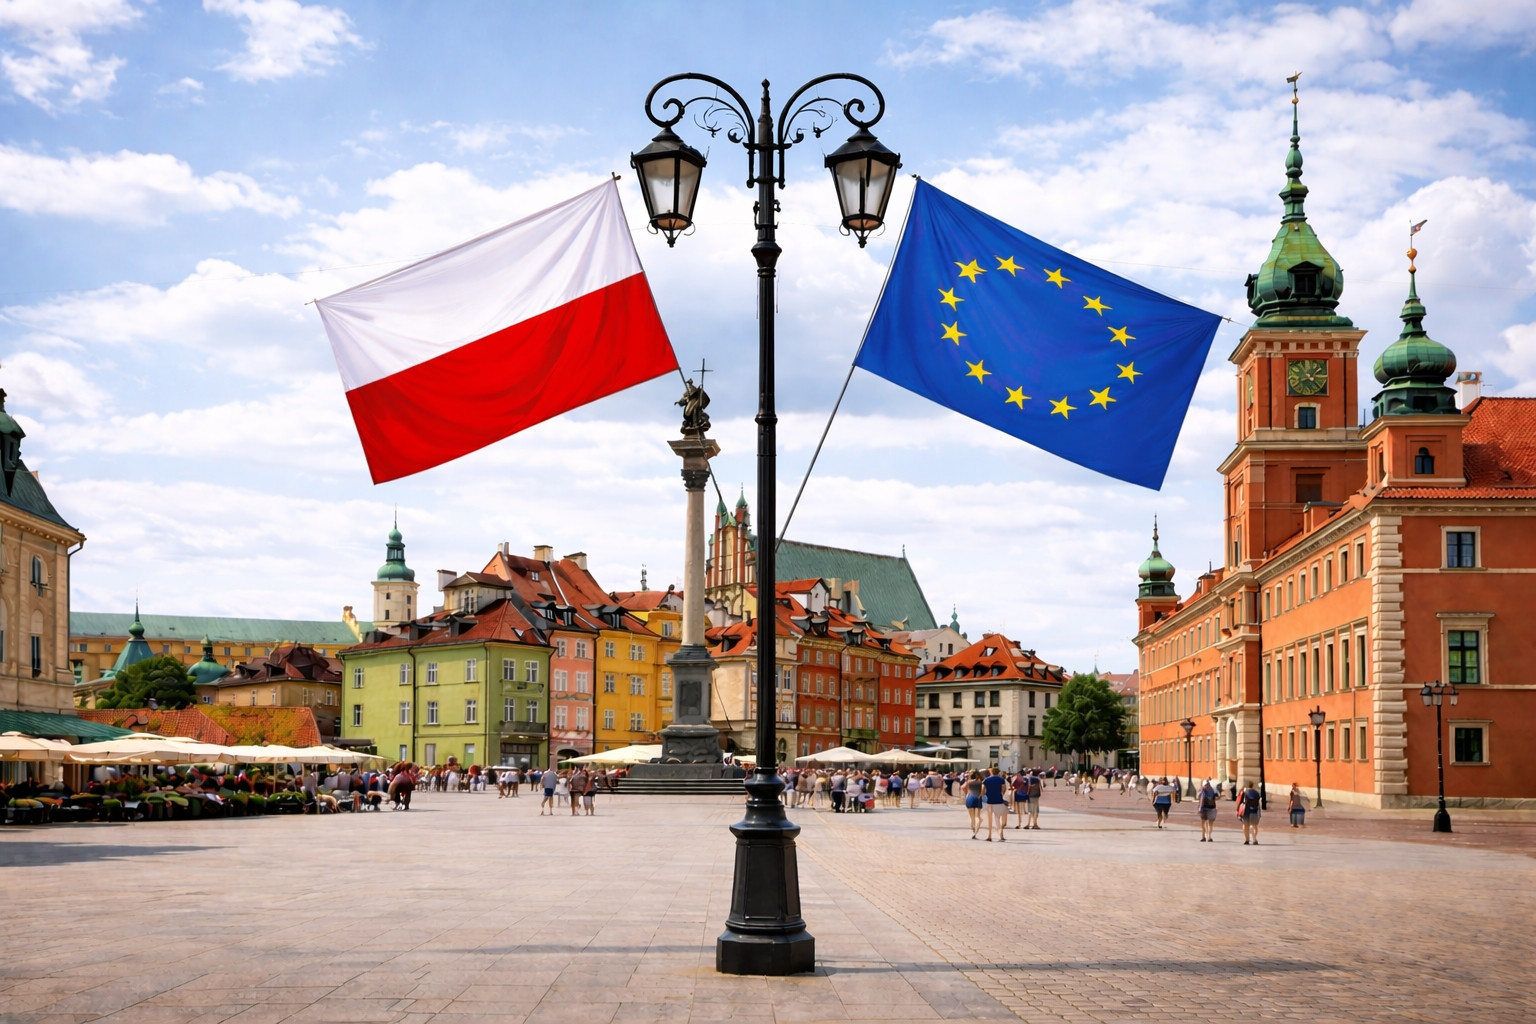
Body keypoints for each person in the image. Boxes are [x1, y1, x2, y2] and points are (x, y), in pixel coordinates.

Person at [982, 766, 1009, 840]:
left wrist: (983, 796)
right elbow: (1004, 788)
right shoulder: (1001, 779)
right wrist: (1001, 794)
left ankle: (989, 835)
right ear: (998, 772)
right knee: (998, 819)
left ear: (991, 772)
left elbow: (982, 791)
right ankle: (1001, 835)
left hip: (989, 801)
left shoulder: (986, 780)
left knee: (990, 820)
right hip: (999, 801)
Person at [963, 770, 984, 839]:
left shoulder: (969, 782)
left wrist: (967, 792)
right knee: (978, 816)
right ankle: (975, 833)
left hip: (970, 797)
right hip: (978, 797)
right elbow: (982, 792)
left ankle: (973, 827)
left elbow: (962, 787)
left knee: (972, 817)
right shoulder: (981, 782)